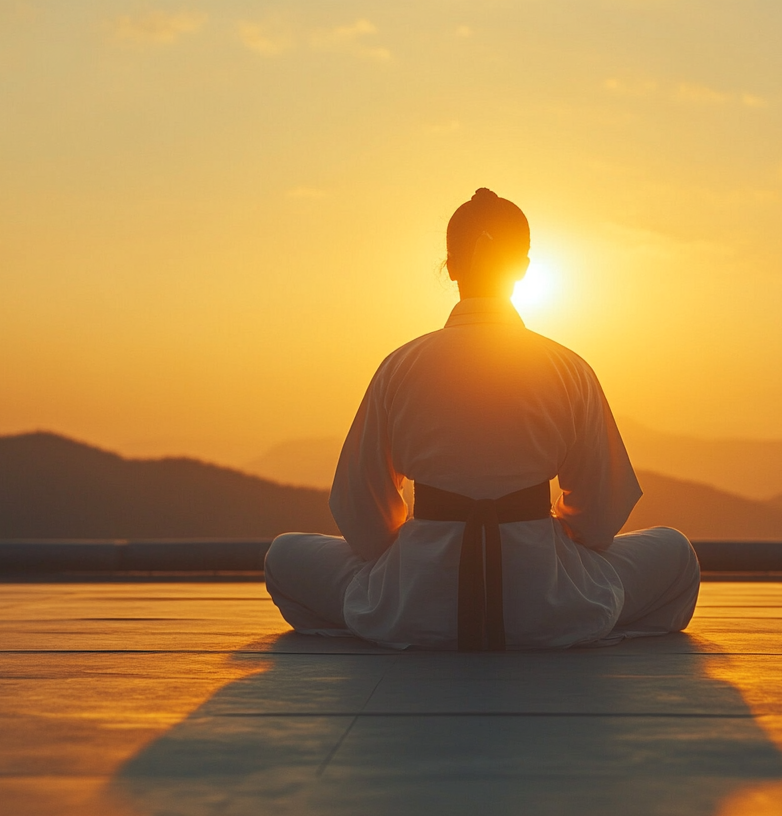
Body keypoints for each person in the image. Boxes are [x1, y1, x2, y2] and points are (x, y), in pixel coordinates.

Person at [265, 188, 699, 650]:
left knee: (284, 556)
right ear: (525, 269)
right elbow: (601, 512)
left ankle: (401, 615)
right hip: (547, 603)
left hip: (417, 601)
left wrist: (415, 558)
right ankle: (568, 618)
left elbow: (360, 509)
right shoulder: (567, 367)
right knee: (675, 553)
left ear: (450, 266)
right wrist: (542, 545)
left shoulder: (401, 365)